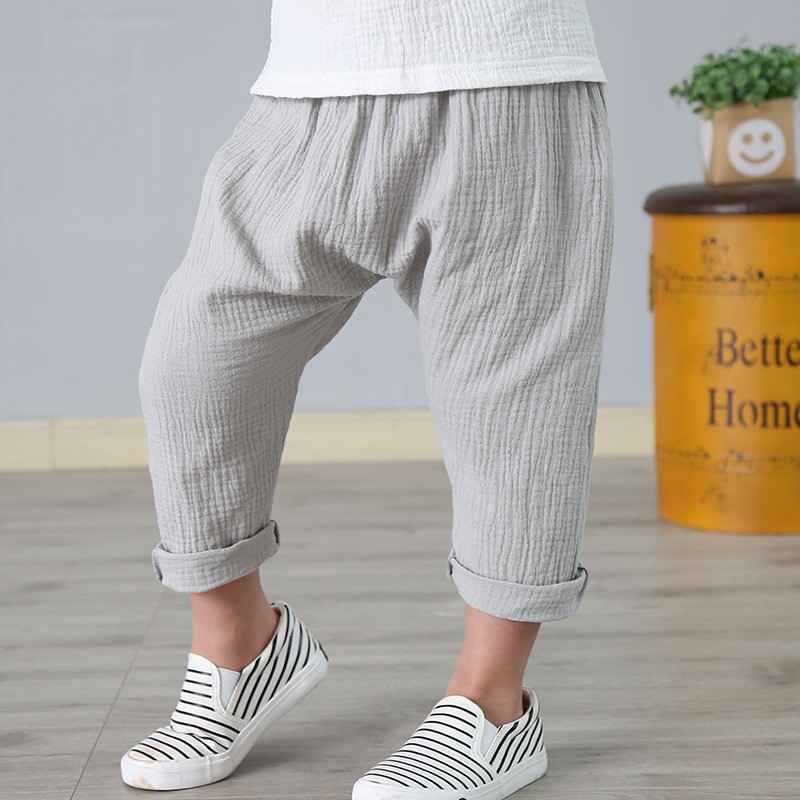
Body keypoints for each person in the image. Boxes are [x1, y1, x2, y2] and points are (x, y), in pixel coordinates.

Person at [120, 1, 614, 797]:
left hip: (509, 78)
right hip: (309, 91)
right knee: (192, 361)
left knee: (514, 413)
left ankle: (492, 707)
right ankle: (240, 647)